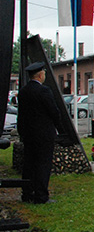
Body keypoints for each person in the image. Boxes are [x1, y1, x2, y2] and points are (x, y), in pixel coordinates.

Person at [18, 62, 60, 204]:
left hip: (29, 134)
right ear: (40, 75)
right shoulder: (44, 91)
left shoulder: (23, 92)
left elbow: (21, 114)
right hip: (44, 134)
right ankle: (41, 195)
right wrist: (57, 126)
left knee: (29, 163)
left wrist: (21, 132)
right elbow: (53, 111)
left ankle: (27, 193)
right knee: (43, 164)